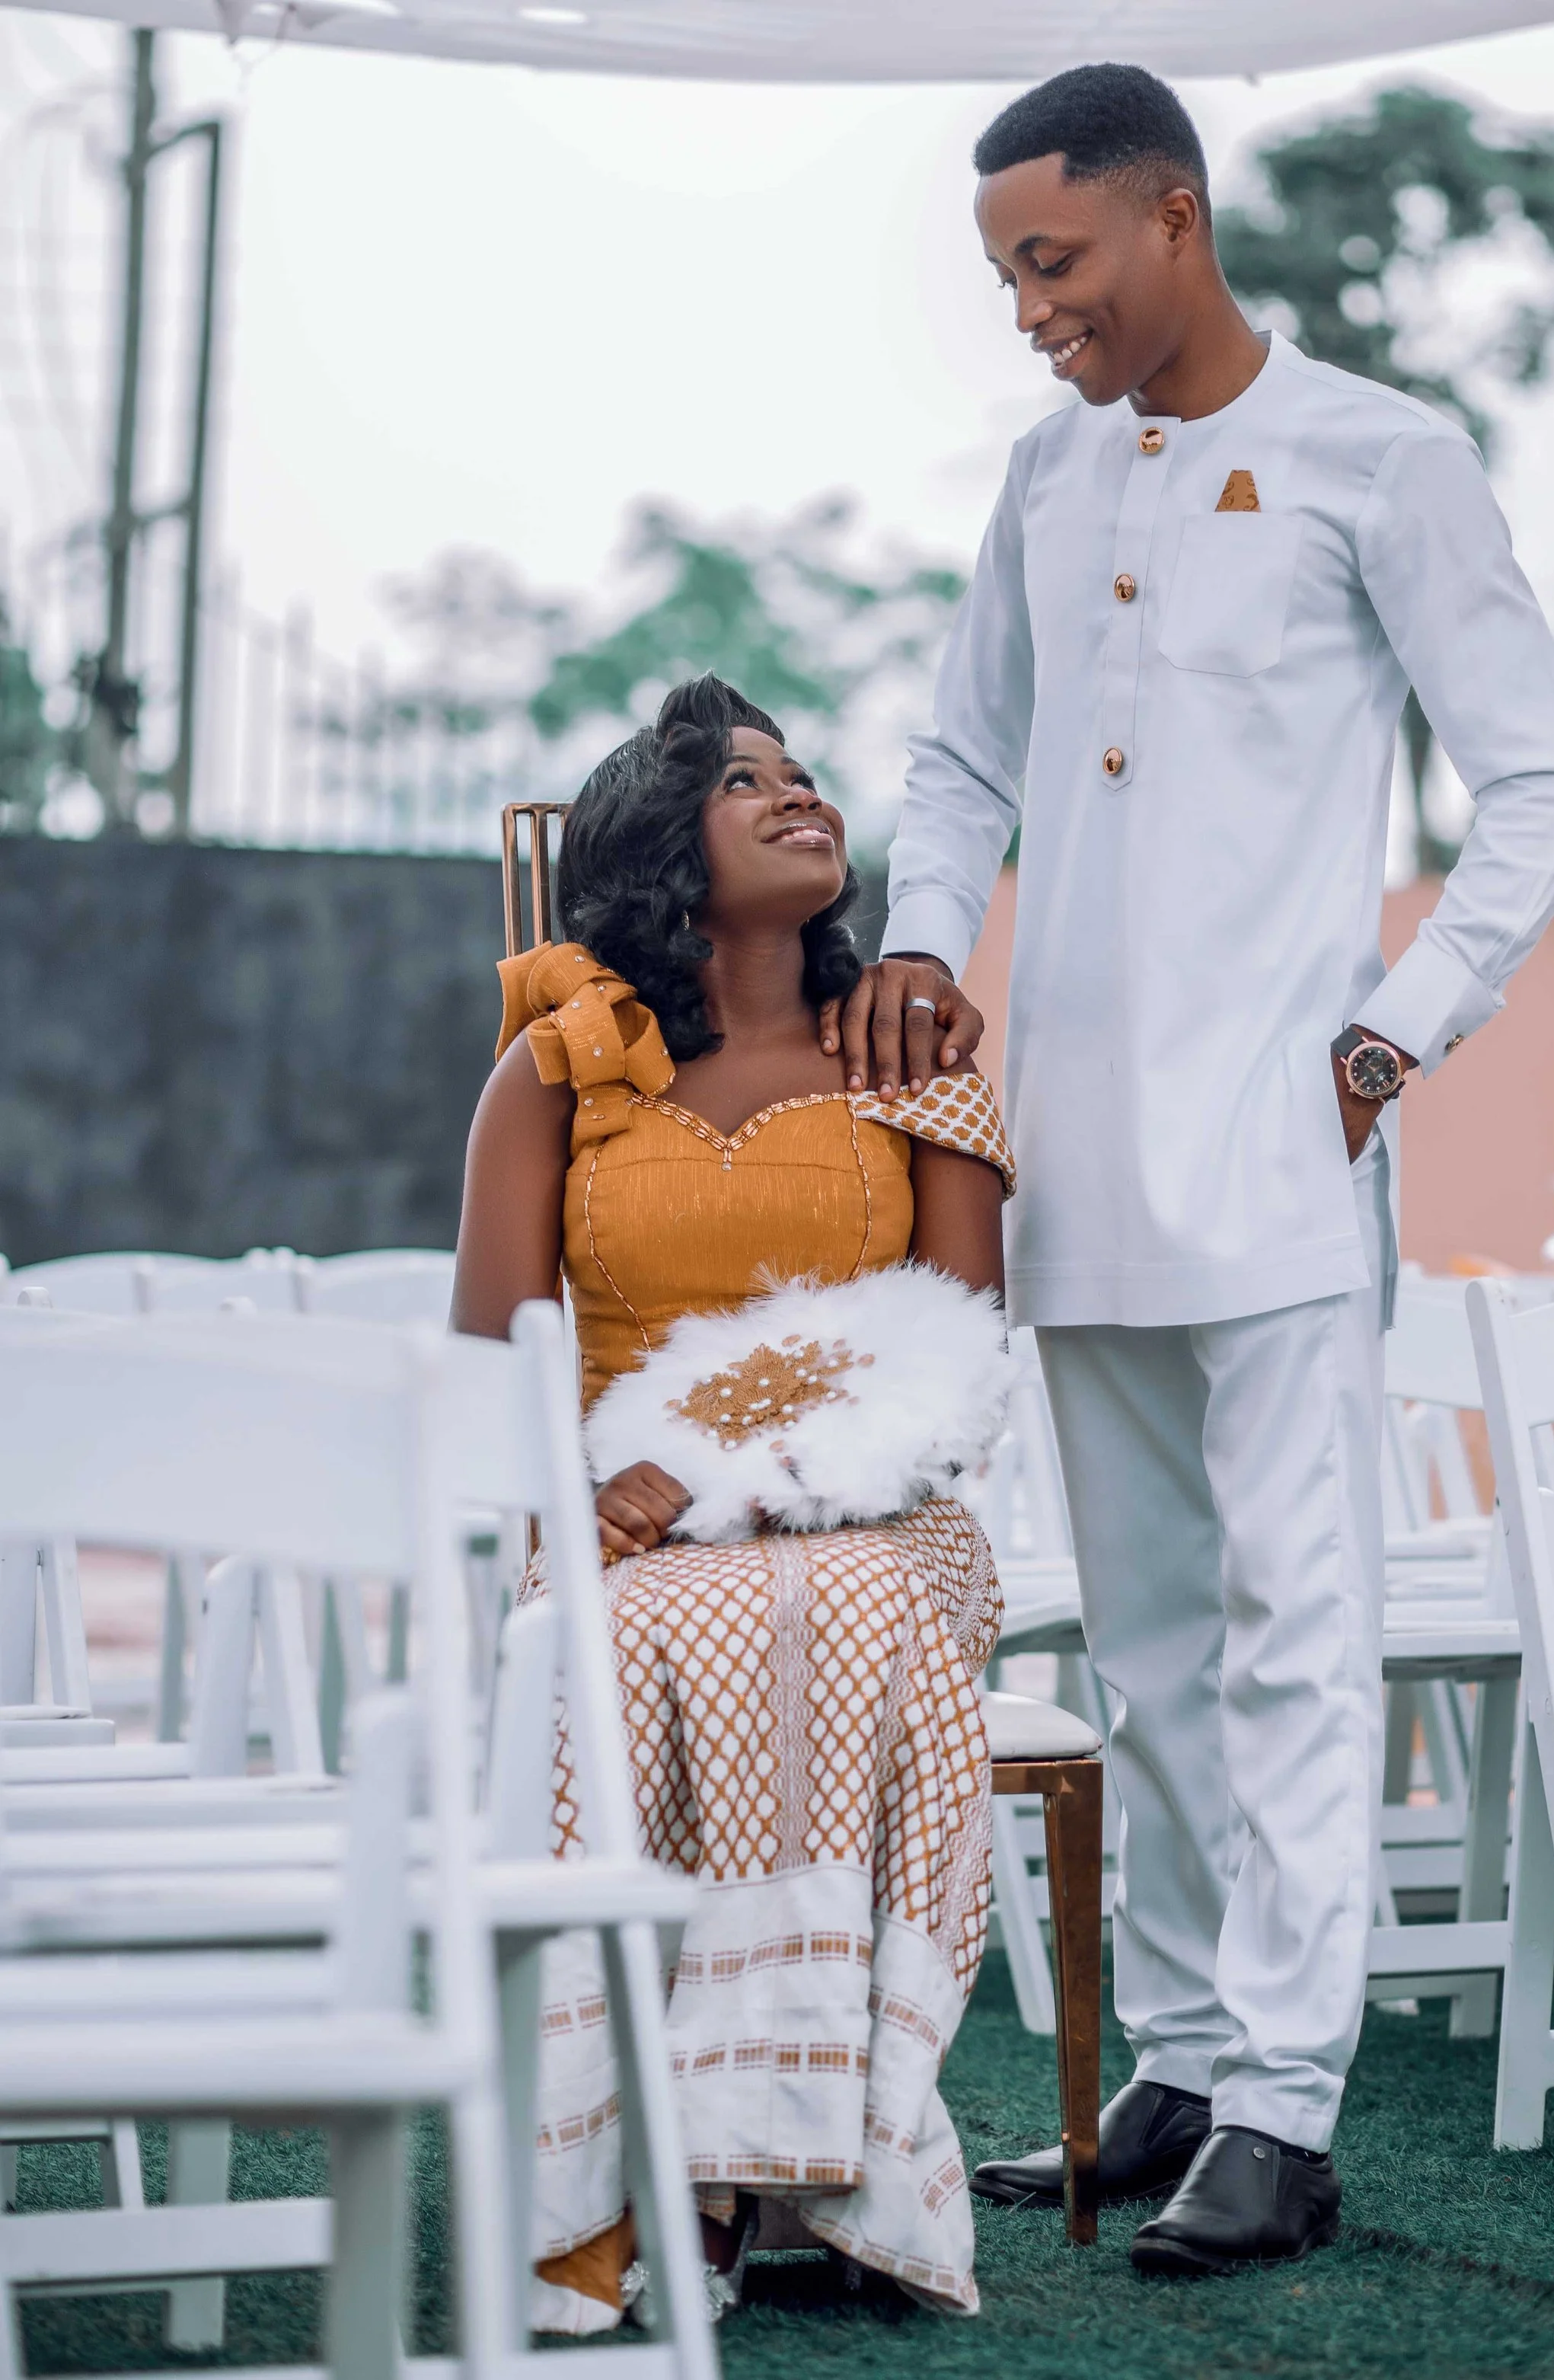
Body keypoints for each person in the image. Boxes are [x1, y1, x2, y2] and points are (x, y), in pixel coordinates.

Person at [830, 63, 1554, 2277]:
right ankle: (1174, 2057)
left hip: (1281, 1143)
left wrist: (1408, 1010)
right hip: (1071, 1155)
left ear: (1175, 215)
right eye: (1004, 274)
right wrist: (913, 936)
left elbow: (1545, 777)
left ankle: (1284, 2099)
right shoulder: (1042, 475)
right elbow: (962, 745)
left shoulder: (1386, 454)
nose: (1028, 312)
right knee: (1154, 1643)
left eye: (1051, 262)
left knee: (1294, 1633)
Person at [451, 673, 1014, 2324]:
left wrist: (723, 1472)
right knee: (629, 1637)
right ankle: (647, 2173)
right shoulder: (556, 1071)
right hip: (606, 1524)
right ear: (658, 850)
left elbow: (955, 1364)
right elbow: (491, 1363)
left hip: (881, 1522)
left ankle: (766, 2154)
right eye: (742, 778)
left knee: (821, 1598)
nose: (799, 793)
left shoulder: (916, 1067)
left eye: (805, 771)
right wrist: (604, 1494)